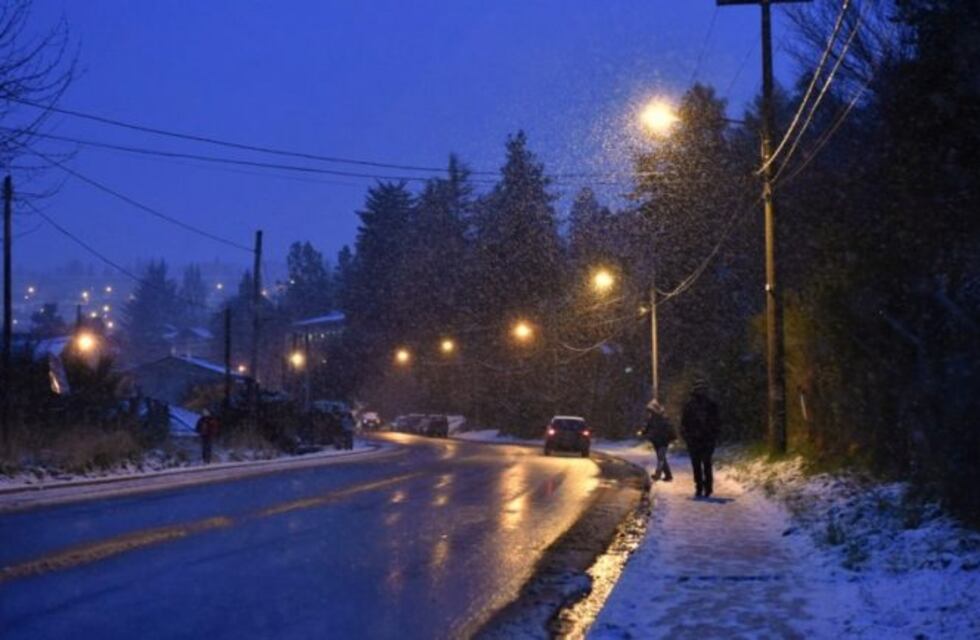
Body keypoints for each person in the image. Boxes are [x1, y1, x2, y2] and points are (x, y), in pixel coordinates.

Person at [680, 378, 720, 498]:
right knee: (704, 464)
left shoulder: (690, 405)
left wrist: (687, 435)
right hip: (703, 439)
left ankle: (701, 487)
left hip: (698, 439)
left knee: (698, 464)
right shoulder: (711, 404)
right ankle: (706, 487)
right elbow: (717, 422)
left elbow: (684, 423)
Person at [643, 400, 675, 482]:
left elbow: (669, 428)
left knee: (661, 458)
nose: (649, 413)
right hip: (657, 440)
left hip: (662, 441)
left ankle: (659, 474)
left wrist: (671, 436)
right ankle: (668, 475)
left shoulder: (662, 418)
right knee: (661, 458)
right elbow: (648, 427)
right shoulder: (654, 418)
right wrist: (644, 432)